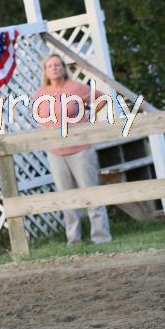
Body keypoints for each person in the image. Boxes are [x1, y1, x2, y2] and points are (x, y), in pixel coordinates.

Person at [33, 54, 112, 245]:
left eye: (57, 65)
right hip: (55, 152)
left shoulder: (76, 87)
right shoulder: (40, 93)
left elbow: (104, 98)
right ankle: (74, 240)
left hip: (81, 149)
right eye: (50, 66)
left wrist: (89, 117)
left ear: (63, 68)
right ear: (45, 71)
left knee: (91, 194)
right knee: (66, 198)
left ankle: (101, 237)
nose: (54, 68)